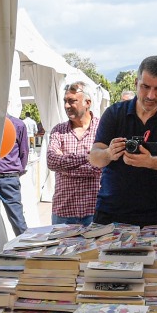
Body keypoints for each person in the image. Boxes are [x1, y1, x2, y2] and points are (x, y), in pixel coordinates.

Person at [89, 56, 157, 226]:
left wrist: (150, 162)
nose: (151, 95)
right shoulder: (114, 113)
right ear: (136, 82)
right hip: (109, 213)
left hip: (154, 215)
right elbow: (94, 157)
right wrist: (108, 153)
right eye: (145, 87)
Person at [46, 81, 102, 225]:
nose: (66, 106)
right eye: (65, 101)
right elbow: (52, 161)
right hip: (64, 211)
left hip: (95, 210)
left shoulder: (103, 129)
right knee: (60, 248)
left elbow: (103, 166)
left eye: (72, 101)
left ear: (87, 102)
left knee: (97, 248)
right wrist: (89, 158)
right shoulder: (58, 130)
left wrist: (65, 167)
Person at [0, 108, 30, 234]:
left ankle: (26, 249)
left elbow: (24, 152)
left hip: (9, 178)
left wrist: (16, 172)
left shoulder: (18, 124)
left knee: (17, 221)